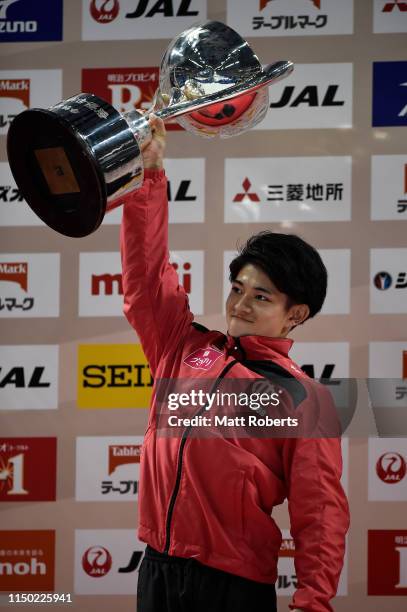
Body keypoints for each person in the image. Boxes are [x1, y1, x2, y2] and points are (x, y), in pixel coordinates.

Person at [119, 115, 350, 612]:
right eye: (237, 289)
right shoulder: (180, 345)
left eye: (261, 296)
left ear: (296, 315)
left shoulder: (306, 399)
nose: (240, 305)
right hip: (156, 569)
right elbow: (145, 276)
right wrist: (149, 176)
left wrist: (313, 601)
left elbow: (321, 512)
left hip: (231, 586)